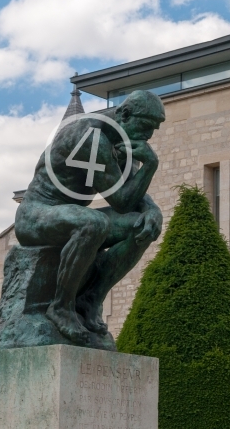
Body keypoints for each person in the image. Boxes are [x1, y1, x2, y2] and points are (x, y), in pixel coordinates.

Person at [15, 89, 165, 345]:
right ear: (125, 114)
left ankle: (89, 300)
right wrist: (150, 166)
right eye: (145, 126)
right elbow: (122, 201)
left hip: (72, 215)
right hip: (37, 214)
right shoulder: (89, 136)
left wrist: (153, 211)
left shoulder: (124, 141)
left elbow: (133, 194)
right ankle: (61, 307)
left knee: (140, 226)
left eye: (154, 129)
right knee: (93, 223)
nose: (149, 136)